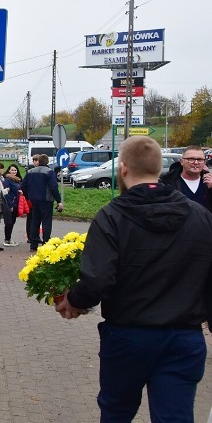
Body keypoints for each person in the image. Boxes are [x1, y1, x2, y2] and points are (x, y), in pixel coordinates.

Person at [55, 136, 212, 422]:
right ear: (160, 168)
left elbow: (97, 278)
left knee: (116, 413)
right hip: (184, 338)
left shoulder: (112, 216)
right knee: (176, 416)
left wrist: (73, 301)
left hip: (128, 336)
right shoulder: (200, 216)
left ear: (123, 168)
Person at [20, 154, 63, 251]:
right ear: (47, 162)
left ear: (38, 161)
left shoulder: (30, 172)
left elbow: (23, 186)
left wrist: (28, 196)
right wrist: (58, 200)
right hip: (46, 200)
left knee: (35, 221)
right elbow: (53, 187)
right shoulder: (50, 172)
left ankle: (33, 244)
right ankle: (46, 243)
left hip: (33, 200)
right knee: (46, 221)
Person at [161, 145, 212, 213]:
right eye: (191, 159)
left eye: (200, 159)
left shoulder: (209, 182)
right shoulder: (167, 182)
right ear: (181, 161)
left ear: (204, 162)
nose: (196, 163)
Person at [2, 163, 22, 246]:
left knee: (12, 222)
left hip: (16, 204)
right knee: (9, 222)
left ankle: (8, 238)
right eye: (12, 170)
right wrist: (9, 205)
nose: (14, 171)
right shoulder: (7, 180)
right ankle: (7, 239)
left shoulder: (18, 180)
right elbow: (7, 193)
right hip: (10, 204)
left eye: (15, 170)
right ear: (9, 171)